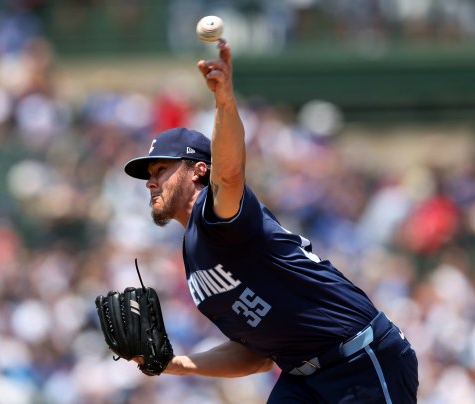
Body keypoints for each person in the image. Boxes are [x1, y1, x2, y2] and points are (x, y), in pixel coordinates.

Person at [123, 39, 419, 403]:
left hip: (360, 360)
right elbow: (256, 356)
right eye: (149, 174)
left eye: (162, 169)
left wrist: (224, 102)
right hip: (301, 376)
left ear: (199, 171)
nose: (151, 181)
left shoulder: (216, 214)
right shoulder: (194, 261)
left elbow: (229, 173)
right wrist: (173, 363)